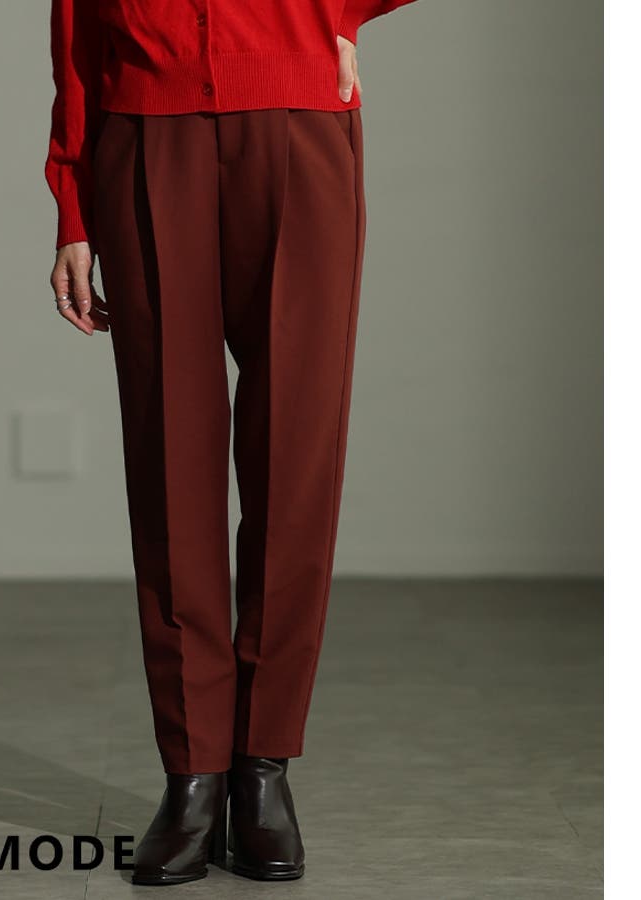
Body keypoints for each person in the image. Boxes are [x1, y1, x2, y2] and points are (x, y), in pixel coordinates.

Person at [45, 0, 418, 885]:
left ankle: (263, 766)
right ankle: (193, 773)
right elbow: (73, 32)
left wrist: (342, 15)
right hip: (143, 129)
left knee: (297, 456)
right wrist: (72, 203)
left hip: (298, 122)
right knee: (169, 462)